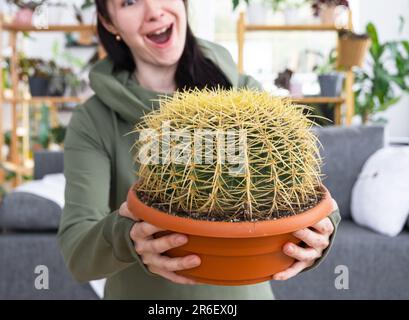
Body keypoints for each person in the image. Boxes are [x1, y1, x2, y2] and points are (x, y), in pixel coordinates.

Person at [58, 0, 341, 299]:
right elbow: (78, 254)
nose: (154, 10)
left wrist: (322, 232)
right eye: (129, 2)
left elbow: (297, 194)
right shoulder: (94, 120)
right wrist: (125, 236)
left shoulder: (247, 98)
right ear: (109, 21)